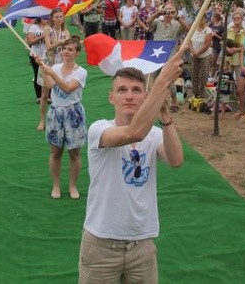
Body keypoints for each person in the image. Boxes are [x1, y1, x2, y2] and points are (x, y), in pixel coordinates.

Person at [78, 50, 185, 284]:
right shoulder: (98, 129)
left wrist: (164, 113)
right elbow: (133, 132)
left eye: (137, 90)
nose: (129, 96)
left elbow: (176, 160)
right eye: (122, 90)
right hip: (101, 244)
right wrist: (163, 80)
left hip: (142, 244)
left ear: (145, 97)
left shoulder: (155, 134)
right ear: (111, 98)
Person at [35, 36, 87, 200]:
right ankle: (56, 185)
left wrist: (52, 73)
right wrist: (43, 68)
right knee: (55, 152)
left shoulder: (81, 72)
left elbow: (67, 88)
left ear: (77, 53)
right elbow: (50, 85)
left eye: (70, 49)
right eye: (64, 49)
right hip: (56, 112)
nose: (66, 52)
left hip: (74, 113)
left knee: (75, 153)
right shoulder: (56, 67)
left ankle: (72, 186)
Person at [147, 1, 189, 111]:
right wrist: (158, 13)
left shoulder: (177, 24)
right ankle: (155, 101)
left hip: (170, 55)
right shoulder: (158, 22)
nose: (168, 14)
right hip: (156, 54)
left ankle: (174, 103)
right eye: (166, 11)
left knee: (168, 80)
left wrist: (177, 17)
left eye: (171, 12)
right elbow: (148, 21)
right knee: (155, 78)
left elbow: (187, 29)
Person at [39, 8, 70, 132]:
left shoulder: (66, 31)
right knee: (45, 94)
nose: (59, 19)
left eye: (61, 17)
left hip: (61, 64)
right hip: (48, 63)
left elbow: (67, 47)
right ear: (52, 18)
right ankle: (42, 120)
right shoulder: (47, 29)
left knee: (62, 93)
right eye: (56, 17)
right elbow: (48, 47)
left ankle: (62, 120)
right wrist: (60, 42)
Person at [26, 17, 47, 125]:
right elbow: (30, 42)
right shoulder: (33, 27)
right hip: (35, 55)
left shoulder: (49, 27)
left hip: (47, 55)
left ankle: (48, 96)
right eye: (44, 17)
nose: (46, 18)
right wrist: (42, 37)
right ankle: (39, 96)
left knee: (48, 76)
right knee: (37, 75)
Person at [189, 15, 213, 100]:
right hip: (194, 54)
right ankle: (195, 93)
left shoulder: (208, 30)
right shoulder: (193, 28)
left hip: (204, 55)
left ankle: (202, 94)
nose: (200, 20)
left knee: (203, 75)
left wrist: (198, 53)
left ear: (205, 20)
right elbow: (189, 41)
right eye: (199, 18)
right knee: (194, 74)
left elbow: (207, 44)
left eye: (203, 18)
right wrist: (192, 51)